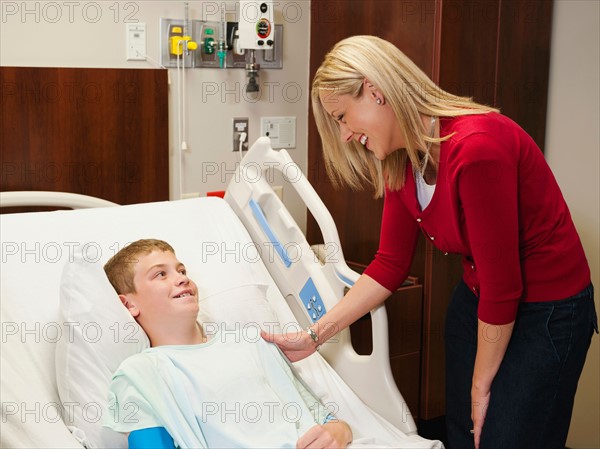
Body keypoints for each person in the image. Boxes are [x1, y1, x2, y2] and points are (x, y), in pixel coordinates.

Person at [262, 35, 598, 449]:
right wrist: (313, 336)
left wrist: (480, 388)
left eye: (344, 117)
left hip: (547, 311)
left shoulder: (477, 149)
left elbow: (504, 285)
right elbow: (388, 264)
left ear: (375, 91)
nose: (346, 135)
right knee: (462, 434)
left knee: (502, 435)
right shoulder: (402, 159)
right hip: (480, 300)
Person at [102, 239, 353, 449]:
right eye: (160, 274)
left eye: (181, 270)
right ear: (128, 305)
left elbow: (324, 419)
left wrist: (341, 431)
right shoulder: (140, 374)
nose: (181, 279)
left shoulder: (253, 341)